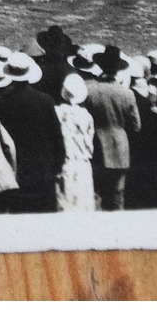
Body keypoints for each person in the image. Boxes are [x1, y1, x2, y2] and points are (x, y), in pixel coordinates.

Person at [0, 53, 66, 213]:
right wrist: (58, 164)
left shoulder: (3, 102)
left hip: (19, 166)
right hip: (43, 164)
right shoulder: (45, 100)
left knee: (21, 210)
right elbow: (56, 135)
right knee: (45, 210)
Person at [79, 50, 142, 210]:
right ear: (118, 70)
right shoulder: (127, 93)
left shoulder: (89, 90)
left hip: (96, 144)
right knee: (117, 194)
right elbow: (136, 126)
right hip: (120, 145)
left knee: (97, 192)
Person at [55, 74, 97, 212]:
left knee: (65, 203)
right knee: (84, 203)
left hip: (65, 161)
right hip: (83, 162)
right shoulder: (86, 115)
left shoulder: (58, 112)